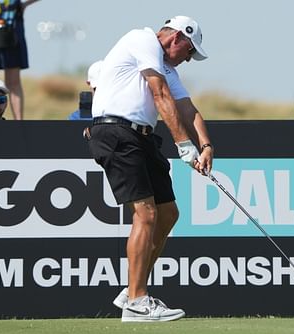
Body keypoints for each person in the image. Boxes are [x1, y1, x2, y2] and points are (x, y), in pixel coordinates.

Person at [87, 15, 213, 322]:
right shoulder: (142, 40)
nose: (188, 59)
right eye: (189, 52)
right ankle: (137, 301)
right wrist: (184, 145)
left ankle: (132, 289)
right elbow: (160, 96)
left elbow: (186, 108)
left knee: (168, 213)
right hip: (116, 132)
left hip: (141, 138)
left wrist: (206, 145)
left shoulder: (166, 66)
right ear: (176, 39)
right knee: (146, 214)